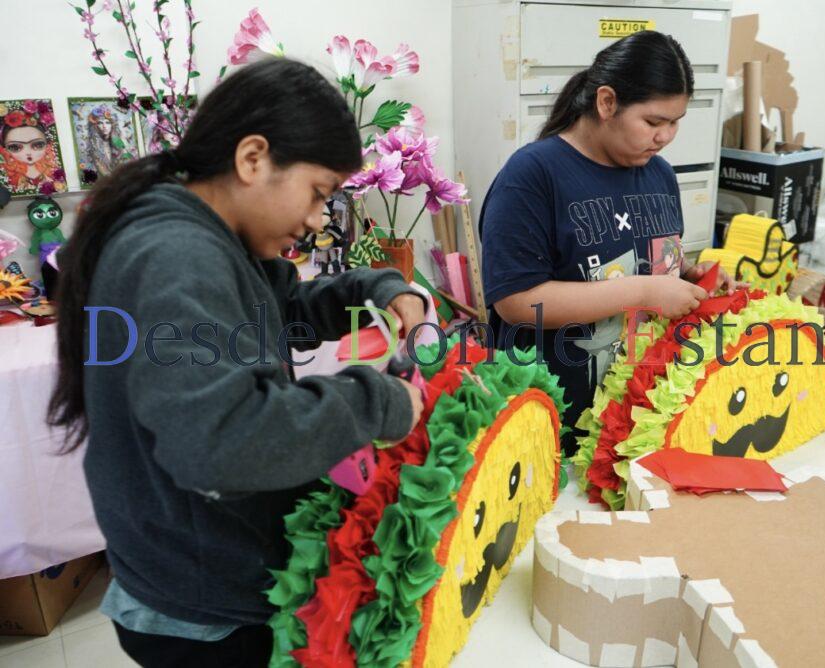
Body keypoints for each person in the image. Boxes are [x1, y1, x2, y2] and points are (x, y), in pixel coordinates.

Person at [48, 58, 426, 667]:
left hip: (202, 565)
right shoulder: (176, 255)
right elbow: (223, 440)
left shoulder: (212, 237)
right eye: (318, 194)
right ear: (253, 158)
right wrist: (376, 402)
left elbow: (279, 313)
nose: (317, 221)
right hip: (202, 607)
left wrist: (375, 289)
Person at [479, 31, 738, 453]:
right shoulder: (532, 175)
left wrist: (689, 277)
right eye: (653, 122)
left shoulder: (659, 175)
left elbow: (653, 258)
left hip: (635, 419)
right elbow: (516, 301)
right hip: (552, 424)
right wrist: (645, 291)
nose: (665, 137)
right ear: (606, 103)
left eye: (675, 122)